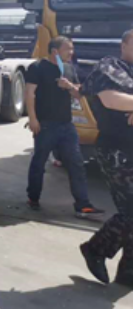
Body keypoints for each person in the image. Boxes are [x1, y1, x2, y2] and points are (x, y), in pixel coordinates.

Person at [25, 36, 104, 218]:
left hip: (67, 125)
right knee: (39, 163)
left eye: (72, 49)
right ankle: (33, 197)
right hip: (45, 125)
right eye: (68, 49)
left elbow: (78, 95)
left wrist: (68, 86)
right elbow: (30, 93)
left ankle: (82, 205)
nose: (71, 52)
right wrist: (33, 119)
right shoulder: (37, 67)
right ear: (55, 51)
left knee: (76, 164)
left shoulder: (68, 68)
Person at [79, 29, 133, 286]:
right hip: (118, 151)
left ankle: (128, 274)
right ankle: (96, 249)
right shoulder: (110, 67)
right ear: (124, 44)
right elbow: (111, 100)